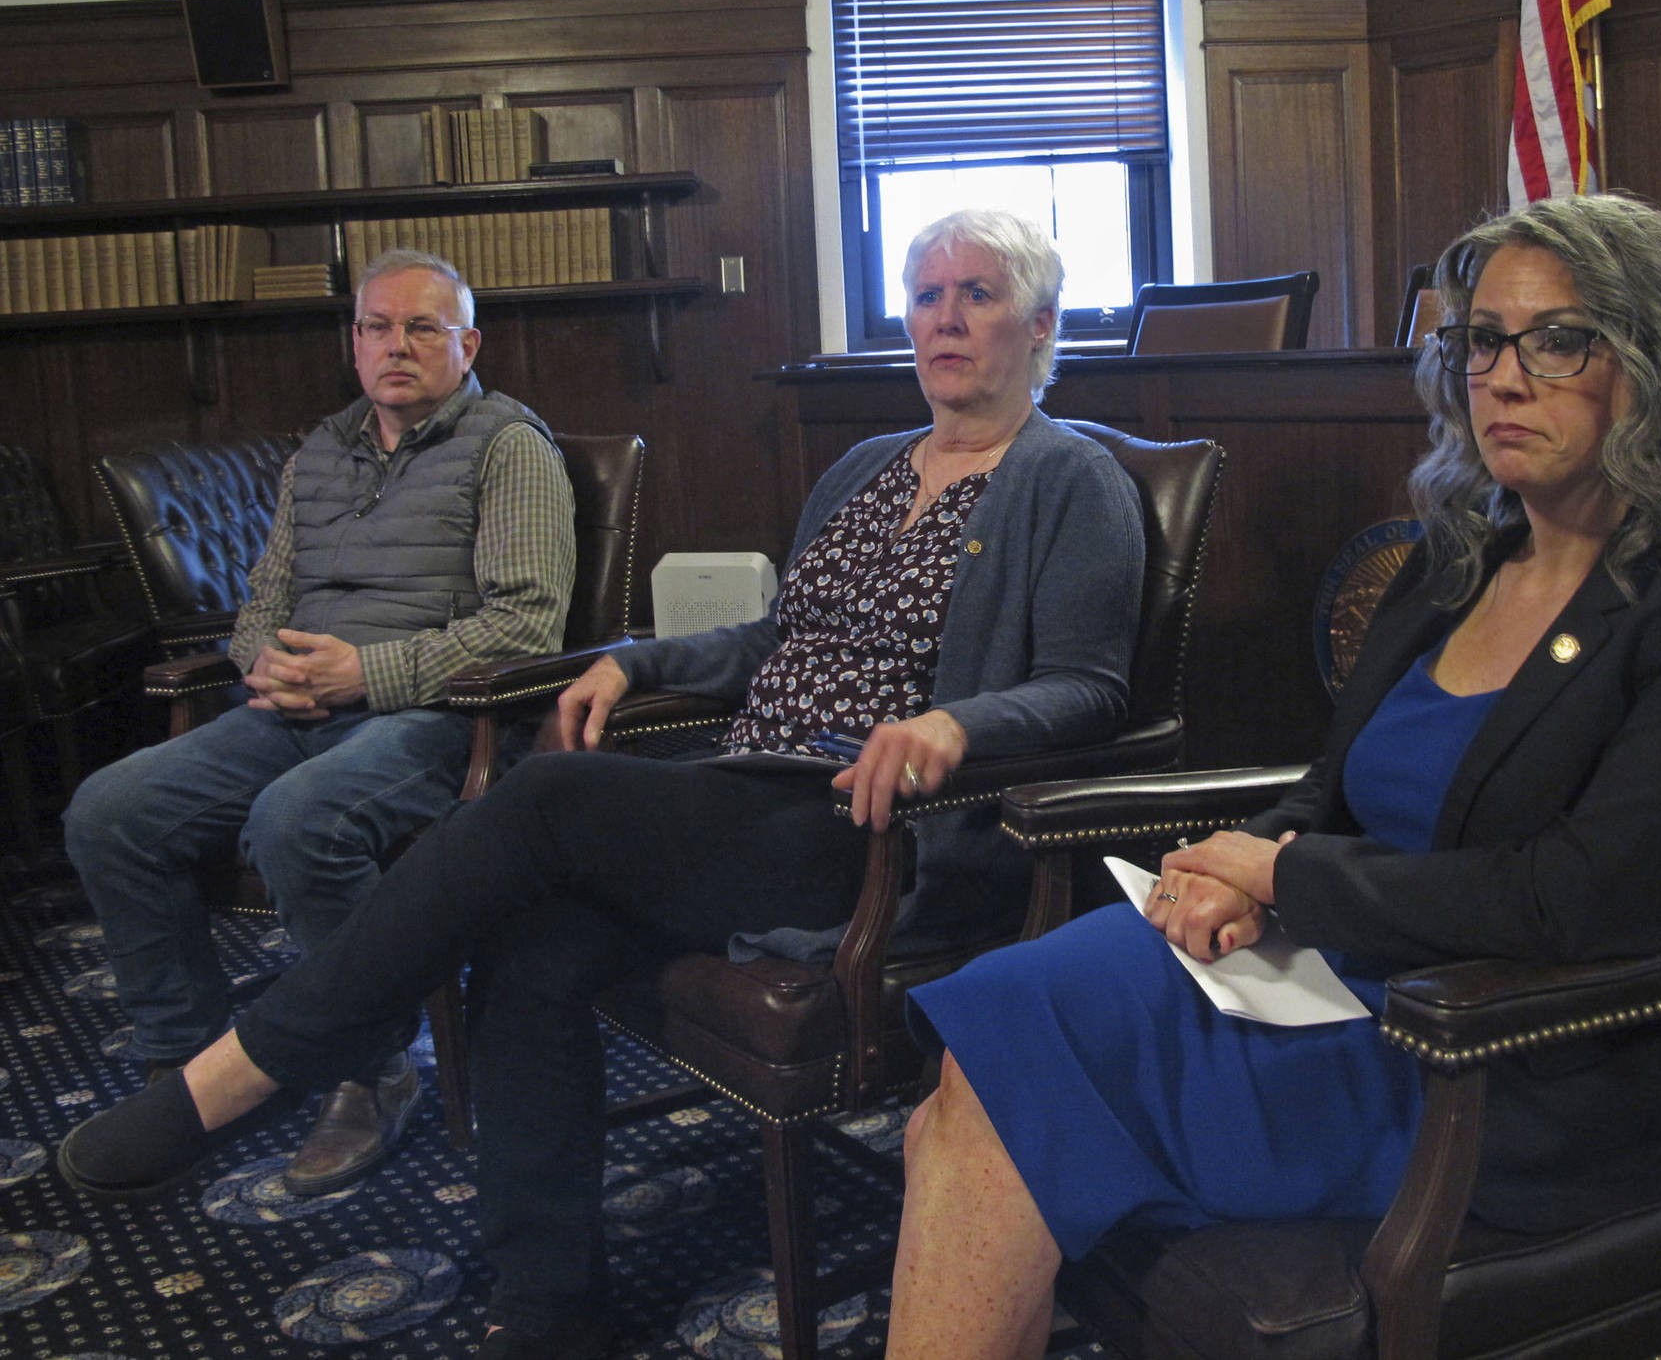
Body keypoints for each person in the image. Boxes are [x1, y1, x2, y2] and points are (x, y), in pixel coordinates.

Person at [53, 209, 1146, 1360]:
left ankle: (263, 1063)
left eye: (976, 295)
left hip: (871, 827)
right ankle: (549, 1313)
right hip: (746, 794)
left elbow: (1090, 690)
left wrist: (954, 725)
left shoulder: (1071, 478)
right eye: (926, 296)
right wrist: (632, 661)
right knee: (531, 947)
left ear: (1040, 325)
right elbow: (777, 638)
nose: (944, 318)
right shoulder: (866, 470)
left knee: (543, 794)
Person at [881, 192, 1661, 1357]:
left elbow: (1582, 896)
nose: (1504, 375)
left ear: (1651, 360)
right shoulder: (1460, 558)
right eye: (1480, 339)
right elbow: (1331, 787)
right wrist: (1242, 870)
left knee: (990, 1094)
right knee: (984, 1055)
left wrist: (1290, 880)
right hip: (1331, 978)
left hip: (1497, 1057)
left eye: (1558, 339)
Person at [61, 249, 575, 1198]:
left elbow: (525, 627)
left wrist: (360, 673)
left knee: (301, 821)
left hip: (432, 717)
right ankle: (188, 1066)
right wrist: (269, 659)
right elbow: (262, 599)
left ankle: (372, 1064)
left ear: (468, 343)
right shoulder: (321, 452)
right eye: (377, 327)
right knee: (107, 810)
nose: (397, 346)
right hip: (294, 707)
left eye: (423, 327)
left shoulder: (510, 447)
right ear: (354, 342)